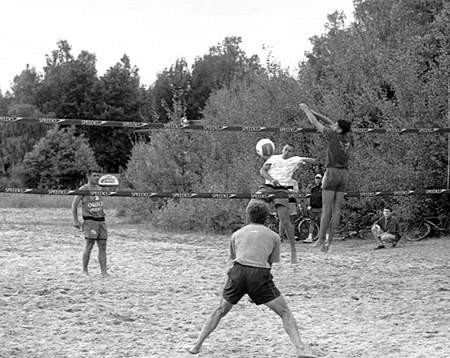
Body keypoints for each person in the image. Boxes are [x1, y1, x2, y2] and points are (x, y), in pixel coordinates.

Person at [187, 201, 317, 358]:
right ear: (267, 217)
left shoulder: (236, 234)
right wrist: (255, 290)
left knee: (220, 310)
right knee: (284, 312)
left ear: (248, 216)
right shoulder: (274, 236)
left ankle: (197, 345)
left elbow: (236, 259)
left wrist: (245, 287)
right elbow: (269, 264)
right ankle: (300, 349)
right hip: (259, 274)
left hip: (238, 273)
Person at [299, 104, 353, 253]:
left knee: (327, 208)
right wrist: (313, 111)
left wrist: (305, 110)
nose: (333, 124)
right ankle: (329, 241)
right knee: (337, 209)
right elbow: (330, 121)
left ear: (339, 129)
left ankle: (321, 239)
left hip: (332, 172)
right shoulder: (349, 136)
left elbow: (314, 123)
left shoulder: (332, 134)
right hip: (344, 174)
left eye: (336, 125)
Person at [254, 144, 316, 264]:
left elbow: (313, 161)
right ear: (282, 149)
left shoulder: (295, 159)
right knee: (251, 206)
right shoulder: (274, 158)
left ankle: (293, 251)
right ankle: (250, 239)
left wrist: (306, 160)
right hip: (267, 187)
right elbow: (262, 170)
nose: (286, 152)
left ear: (293, 153)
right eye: (285, 149)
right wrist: (272, 180)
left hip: (282, 190)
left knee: (285, 220)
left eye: (289, 150)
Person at [71, 170, 109, 277]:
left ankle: (104, 272)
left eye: (98, 176)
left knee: (103, 246)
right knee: (89, 245)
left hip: (101, 220)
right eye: (94, 176)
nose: (96, 178)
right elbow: (74, 205)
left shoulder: (100, 189)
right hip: (90, 220)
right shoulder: (83, 189)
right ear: (88, 176)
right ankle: (85, 270)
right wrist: (75, 220)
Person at [303, 174, 323, 243]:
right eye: (316, 178)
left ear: (321, 179)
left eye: (319, 179)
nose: (317, 180)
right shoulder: (313, 189)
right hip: (313, 208)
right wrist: (309, 206)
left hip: (321, 208)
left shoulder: (324, 188)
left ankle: (324, 238)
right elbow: (309, 197)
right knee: (312, 223)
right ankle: (310, 237)